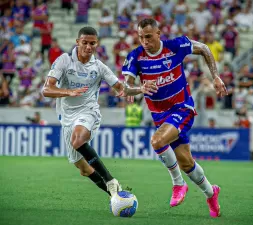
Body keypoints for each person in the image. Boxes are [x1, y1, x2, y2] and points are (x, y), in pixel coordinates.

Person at [122, 18, 227, 218]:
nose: (145, 41)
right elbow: (126, 86)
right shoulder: (136, 57)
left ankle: (178, 184)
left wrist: (215, 76)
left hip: (182, 108)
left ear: (159, 34)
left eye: (149, 37)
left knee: (157, 140)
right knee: (186, 162)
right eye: (141, 37)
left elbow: (204, 48)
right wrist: (139, 88)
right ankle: (211, 193)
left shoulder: (175, 46)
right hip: (160, 116)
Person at [42, 27, 158, 197]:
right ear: (77, 42)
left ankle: (110, 180)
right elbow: (46, 90)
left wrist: (140, 88)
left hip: (89, 111)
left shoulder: (99, 67)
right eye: (85, 43)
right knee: (83, 168)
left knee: (78, 139)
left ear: (97, 44)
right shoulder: (64, 61)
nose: (89, 47)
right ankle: (116, 196)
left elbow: (121, 88)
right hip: (67, 116)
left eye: (92, 43)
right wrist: (68, 92)